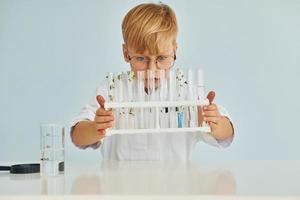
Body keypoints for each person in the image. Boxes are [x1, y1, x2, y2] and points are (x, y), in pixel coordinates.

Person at [70, 3, 234, 160]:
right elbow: (78, 136)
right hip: (119, 185)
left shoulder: (186, 90)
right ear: (126, 53)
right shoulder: (112, 89)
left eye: (162, 58)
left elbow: (227, 132)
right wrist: (96, 128)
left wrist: (214, 122)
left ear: (174, 50)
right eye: (141, 58)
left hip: (175, 184)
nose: (152, 70)